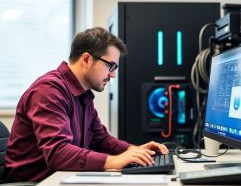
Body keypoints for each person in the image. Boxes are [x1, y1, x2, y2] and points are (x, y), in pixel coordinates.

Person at [4, 27, 168, 182]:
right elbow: (58, 153)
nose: (113, 75)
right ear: (86, 59)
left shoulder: (83, 95)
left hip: (62, 178)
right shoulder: (49, 91)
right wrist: (114, 161)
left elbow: (100, 139)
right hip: (37, 183)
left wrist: (132, 150)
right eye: (110, 66)